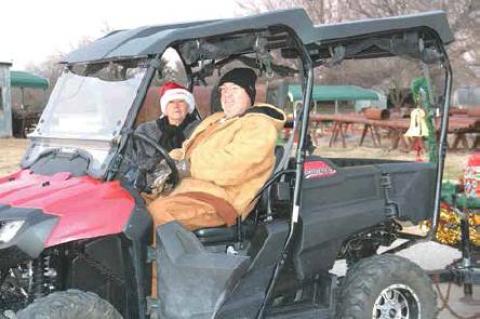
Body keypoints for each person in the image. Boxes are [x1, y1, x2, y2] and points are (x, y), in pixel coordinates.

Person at [148, 68, 286, 231]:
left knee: (158, 213)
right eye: (224, 90)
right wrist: (165, 165)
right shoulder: (216, 120)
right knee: (133, 204)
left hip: (220, 200)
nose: (227, 95)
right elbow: (186, 149)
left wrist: (187, 167)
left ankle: (157, 257)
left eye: (234, 89)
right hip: (190, 190)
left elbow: (232, 167)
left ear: (249, 94)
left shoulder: (259, 126)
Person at [125, 82, 200, 188]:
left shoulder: (199, 129)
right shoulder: (145, 130)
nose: (176, 106)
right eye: (171, 102)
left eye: (181, 101)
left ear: (188, 106)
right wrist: (156, 166)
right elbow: (135, 161)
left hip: (189, 183)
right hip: (151, 185)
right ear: (165, 107)